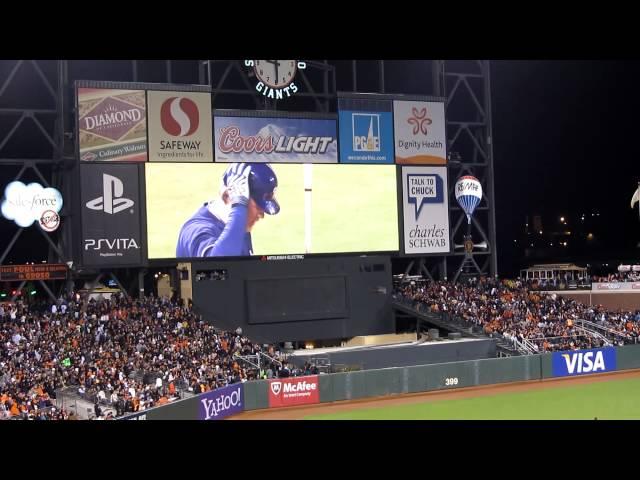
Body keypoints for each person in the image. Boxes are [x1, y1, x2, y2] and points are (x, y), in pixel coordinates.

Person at [176, 163, 280, 258]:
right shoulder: (195, 231)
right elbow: (216, 268)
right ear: (229, 197)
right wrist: (239, 206)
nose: (262, 216)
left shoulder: (238, 224)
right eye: (257, 207)